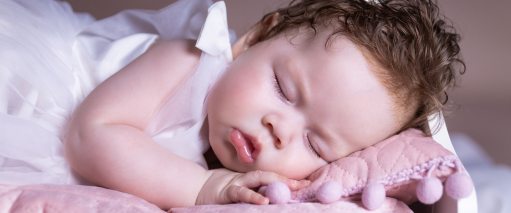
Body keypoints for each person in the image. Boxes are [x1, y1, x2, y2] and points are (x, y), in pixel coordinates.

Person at [0, 0, 463, 210]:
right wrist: (203, 188)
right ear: (256, 37)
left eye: (316, 145)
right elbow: (91, 135)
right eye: (283, 88)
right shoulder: (185, 60)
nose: (279, 128)